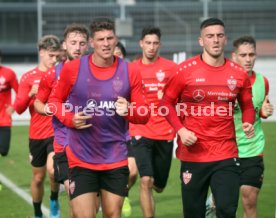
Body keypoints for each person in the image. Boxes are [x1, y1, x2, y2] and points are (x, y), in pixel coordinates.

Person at [48, 17, 150, 218]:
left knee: (113, 214)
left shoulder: (130, 70)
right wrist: (69, 118)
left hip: (115, 157)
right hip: (80, 158)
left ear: (116, 39)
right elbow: (54, 102)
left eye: (110, 38)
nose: (106, 43)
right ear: (92, 43)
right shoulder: (73, 69)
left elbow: (144, 114)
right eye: (100, 39)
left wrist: (130, 110)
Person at [161, 18, 256, 218]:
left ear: (225, 39)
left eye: (219, 35)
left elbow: (247, 106)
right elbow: (166, 104)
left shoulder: (238, 74)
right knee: (193, 213)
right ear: (201, 41)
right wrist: (181, 130)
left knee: (227, 210)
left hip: (226, 153)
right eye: (210, 36)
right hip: (193, 154)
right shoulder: (184, 71)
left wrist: (247, 121)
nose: (215, 40)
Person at [34, 23, 89, 217]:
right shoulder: (52, 74)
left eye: (82, 43)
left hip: (96, 146)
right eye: (73, 42)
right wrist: (53, 109)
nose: (77, 47)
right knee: (76, 199)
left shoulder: (99, 72)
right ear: (64, 45)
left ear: (88, 45)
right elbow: (38, 103)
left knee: (92, 207)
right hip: (65, 145)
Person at [129, 26, 178, 218]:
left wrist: (167, 97)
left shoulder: (172, 69)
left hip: (165, 132)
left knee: (158, 186)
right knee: (145, 180)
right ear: (141, 43)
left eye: (155, 43)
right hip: (140, 129)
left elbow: (182, 96)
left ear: (160, 45)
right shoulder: (132, 69)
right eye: (148, 43)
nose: (151, 47)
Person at [13, 35, 61, 218]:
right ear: (41, 53)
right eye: (51, 55)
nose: (54, 60)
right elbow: (18, 109)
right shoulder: (28, 78)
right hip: (36, 134)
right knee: (38, 177)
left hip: (56, 132)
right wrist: (30, 94)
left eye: (57, 56)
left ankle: (54, 199)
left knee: (53, 169)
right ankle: (37, 213)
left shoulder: (61, 74)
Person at [232, 36, 273, 218]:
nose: (248, 59)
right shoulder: (225, 81)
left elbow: (261, 109)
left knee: (249, 198)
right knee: (227, 201)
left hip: (253, 148)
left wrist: (265, 111)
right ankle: (214, 202)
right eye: (243, 55)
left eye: (251, 54)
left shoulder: (263, 82)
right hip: (227, 149)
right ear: (235, 56)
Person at [113, 41, 138, 217]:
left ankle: (125, 193)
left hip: (126, 133)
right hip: (103, 135)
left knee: (133, 171)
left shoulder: (130, 75)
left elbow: (141, 105)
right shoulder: (95, 76)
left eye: (119, 54)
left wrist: (130, 106)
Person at [0, 50, 18, 156]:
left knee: (4, 151)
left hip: (4, 117)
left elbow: (19, 92)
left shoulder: (9, 73)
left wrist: (14, 106)